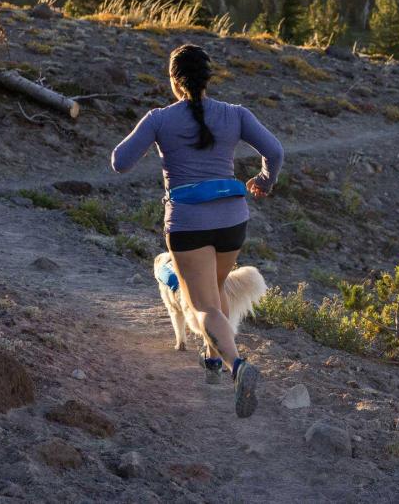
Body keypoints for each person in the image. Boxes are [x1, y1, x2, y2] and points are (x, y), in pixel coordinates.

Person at [111, 44, 284, 418]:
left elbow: (120, 162)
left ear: (174, 81)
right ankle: (212, 359)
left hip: (188, 221)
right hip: (232, 218)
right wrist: (265, 182)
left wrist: (157, 138)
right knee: (217, 288)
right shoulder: (236, 114)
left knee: (201, 304)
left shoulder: (159, 118)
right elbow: (275, 151)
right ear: (208, 79)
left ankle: (238, 365)